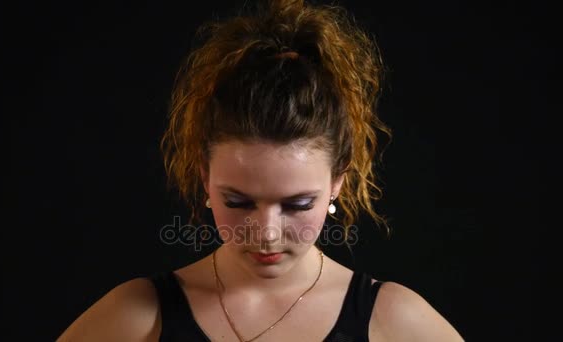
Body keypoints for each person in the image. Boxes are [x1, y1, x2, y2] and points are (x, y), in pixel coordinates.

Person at [57, 0, 464, 341]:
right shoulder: (139, 315)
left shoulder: (392, 321)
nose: (266, 232)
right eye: (238, 201)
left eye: (298, 204)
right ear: (204, 178)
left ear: (337, 181)